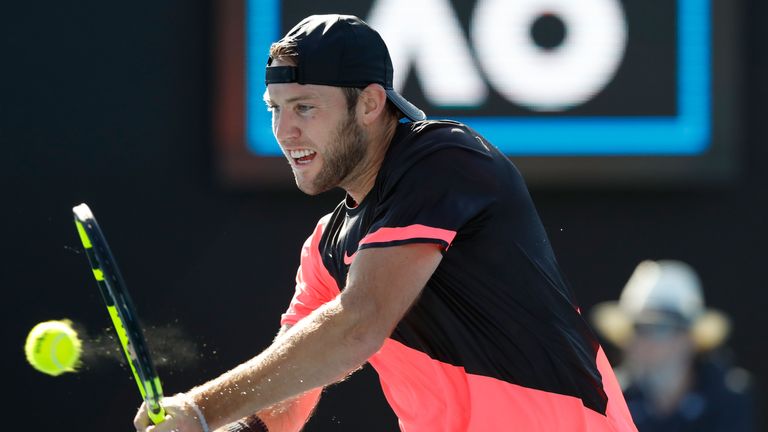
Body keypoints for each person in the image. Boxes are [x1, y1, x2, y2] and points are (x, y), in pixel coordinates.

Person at [135, 14, 637, 432]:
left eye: (305, 108)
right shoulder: (324, 250)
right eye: (276, 109)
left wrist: (201, 410)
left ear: (371, 103)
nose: (284, 132)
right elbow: (284, 402)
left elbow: (359, 325)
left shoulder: (444, 158)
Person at [590, 259, 756, 432]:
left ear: (688, 339)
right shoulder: (608, 397)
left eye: (660, 328)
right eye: (637, 328)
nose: (643, 342)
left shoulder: (728, 397)